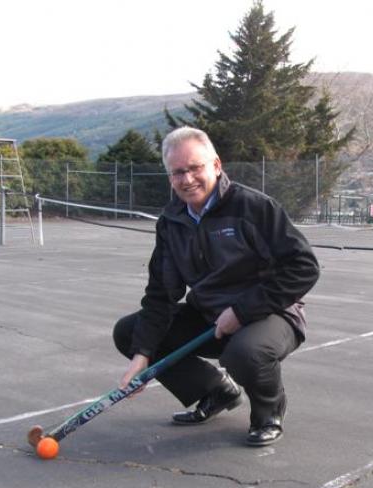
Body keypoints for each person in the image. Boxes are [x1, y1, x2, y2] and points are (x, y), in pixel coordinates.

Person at [113, 127, 319, 446]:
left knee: (246, 353)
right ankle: (216, 391)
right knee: (130, 332)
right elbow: (160, 294)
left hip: (272, 315)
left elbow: (304, 267)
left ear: (216, 165)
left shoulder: (253, 207)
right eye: (178, 172)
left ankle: (268, 412)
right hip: (210, 317)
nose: (187, 179)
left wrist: (242, 310)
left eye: (195, 168)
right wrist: (142, 355)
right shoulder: (172, 222)